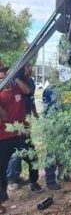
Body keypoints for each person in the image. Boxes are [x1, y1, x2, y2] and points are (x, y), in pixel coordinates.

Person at [0, 67, 37, 214]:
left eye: (5, 77)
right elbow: (3, 116)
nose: (4, 81)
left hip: (21, 132)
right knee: (0, 169)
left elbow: (28, 91)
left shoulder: (17, 88)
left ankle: (34, 182)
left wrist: (14, 77)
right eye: (1, 79)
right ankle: (2, 197)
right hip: (3, 136)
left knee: (32, 157)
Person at [6, 64, 41, 192]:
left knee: (31, 154)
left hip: (24, 123)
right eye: (27, 67)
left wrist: (35, 114)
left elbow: (29, 95)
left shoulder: (28, 82)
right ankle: (11, 179)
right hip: (12, 126)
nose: (30, 68)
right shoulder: (10, 83)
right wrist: (15, 78)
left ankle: (33, 181)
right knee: (15, 154)